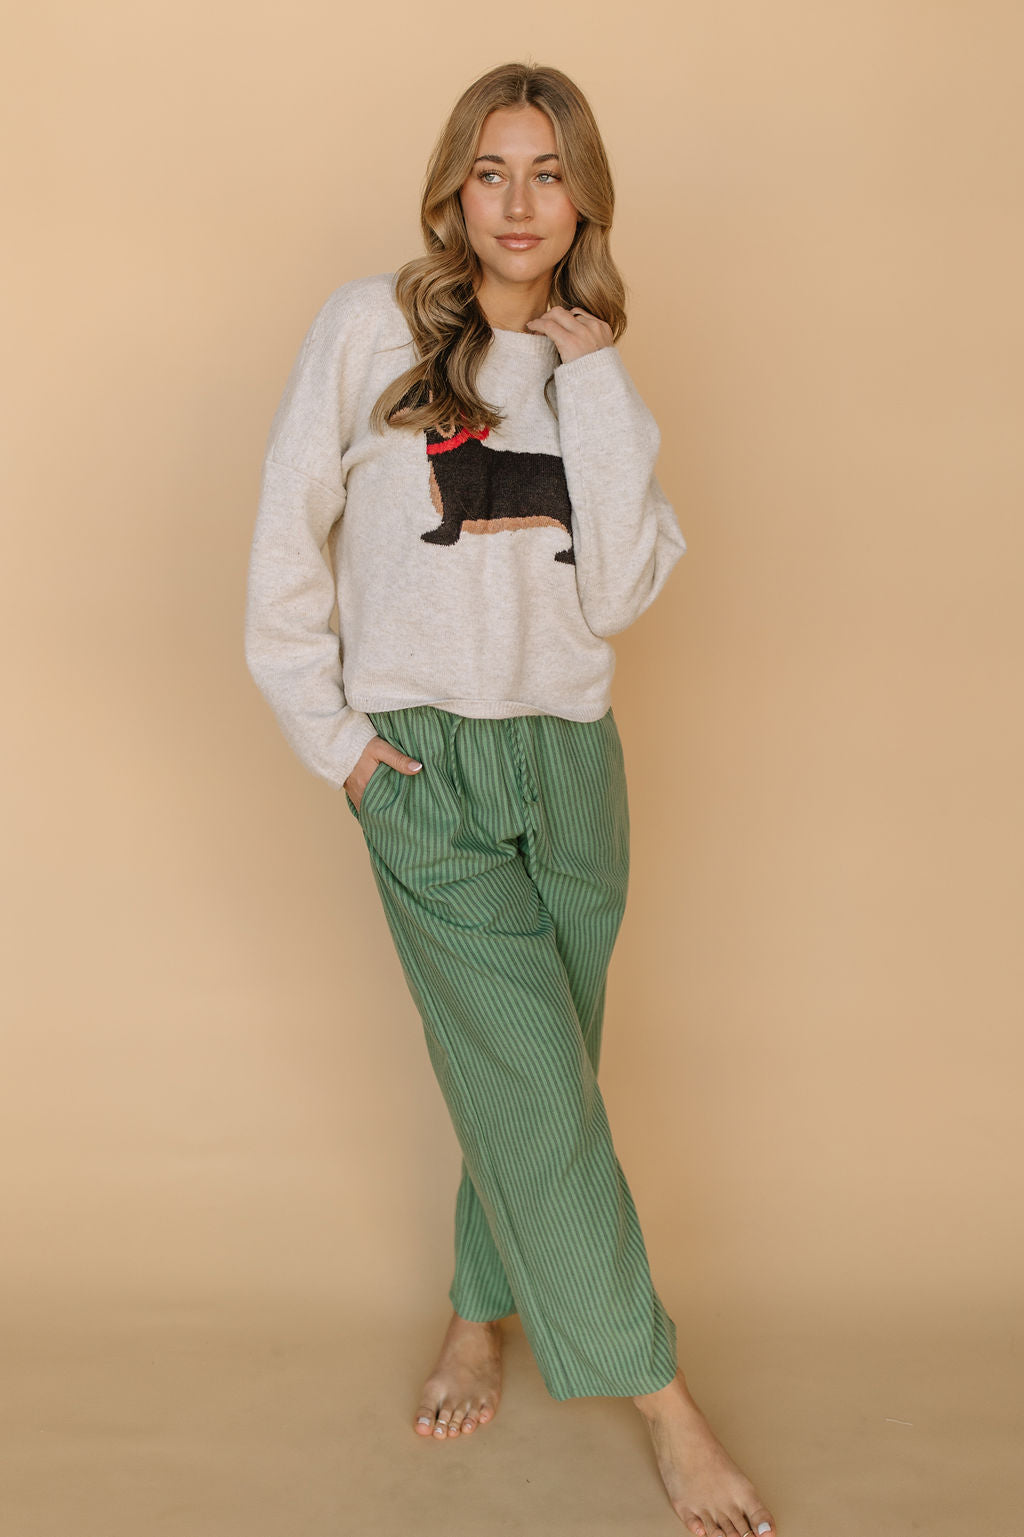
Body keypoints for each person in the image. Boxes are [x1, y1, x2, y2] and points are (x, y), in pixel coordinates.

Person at [244, 59, 778, 1537]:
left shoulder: (596, 371)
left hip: (572, 763)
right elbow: (285, 539)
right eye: (493, 170)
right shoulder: (369, 328)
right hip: (427, 770)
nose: (520, 203)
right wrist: (340, 744)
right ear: (454, 190)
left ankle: (479, 1312)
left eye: (548, 173)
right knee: (540, 1090)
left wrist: (591, 379)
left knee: (541, 1074)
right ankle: (667, 1406)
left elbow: (616, 592)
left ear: (585, 196)